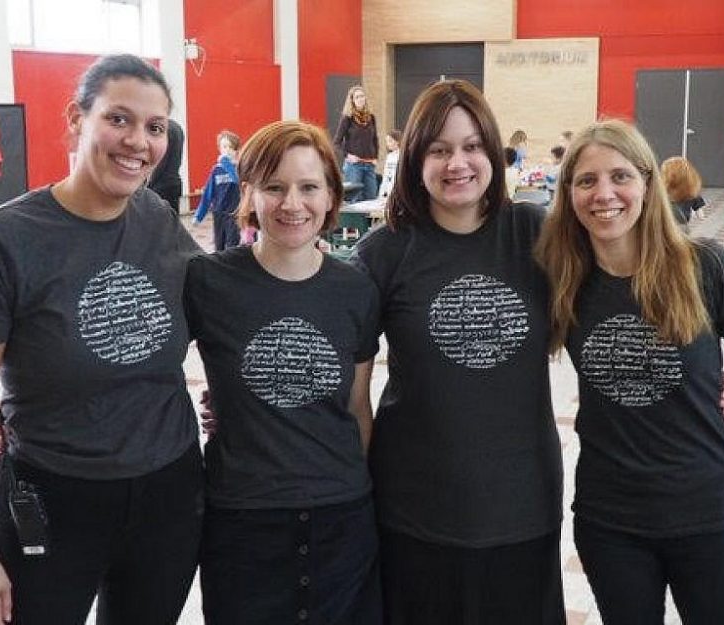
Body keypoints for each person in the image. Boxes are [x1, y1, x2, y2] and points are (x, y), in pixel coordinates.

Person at [0, 54, 205, 625]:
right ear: (77, 118)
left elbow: (226, 303)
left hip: (168, 494)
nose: (138, 141)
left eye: (155, 127)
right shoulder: (2, 241)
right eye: (119, 119)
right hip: (51, 501)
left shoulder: (157, 219)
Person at [534, 119, 724, 624]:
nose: (604, 194)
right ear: (569, 194)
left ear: (648, 184)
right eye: (586, 181)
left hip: (709, 514)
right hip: (611, 520)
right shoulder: (563, 280)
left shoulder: (706, 267)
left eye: (620, 176)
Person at [351, 79, 566, 624]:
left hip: (522, 499)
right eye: (439, 149)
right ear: (414, 158)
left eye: (472, 146)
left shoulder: (533, 235)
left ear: (492, 152)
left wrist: (698, 380)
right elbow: (348, 393)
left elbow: (615, 304)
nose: (457, 164)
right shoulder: (384, 252)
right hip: (414, 505)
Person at [186, 120, 382, 624]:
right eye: (274, 187)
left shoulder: (355, 288)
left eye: (308, 187)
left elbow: (358, 409)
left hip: (341, 517)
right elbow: (138, 361)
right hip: (243, 519)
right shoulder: (209, 282)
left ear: (331, 196)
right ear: (248, 194)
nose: (292, 203)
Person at [193, 129, 242, 250]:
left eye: (229, 147)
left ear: (236, 151)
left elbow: (238, 181)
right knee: (219, 245)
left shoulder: (240, 168)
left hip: (235, 213)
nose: (226, 150)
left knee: (232, 245)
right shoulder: (216, 170)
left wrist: (227, 164)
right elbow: (208, 194)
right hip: (219, 213)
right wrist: (199, 215)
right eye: (223, 147)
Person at [334, 85, 379, 202]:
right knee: (354, 200)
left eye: (362, 96)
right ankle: (355, 221)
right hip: (354, 166)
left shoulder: (371, 118)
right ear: (352, 101)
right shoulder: (347, 118)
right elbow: (337, 142)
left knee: (372, 198)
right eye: (357, 97)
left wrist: (376, 157)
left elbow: (375, 139)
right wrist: (348, 156)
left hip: (369, 165)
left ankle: (368, 221)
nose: (361, 99)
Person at [148, 117, 184, 215]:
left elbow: (162, 161)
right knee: (172, 218)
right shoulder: (177, 127)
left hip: (160, 185)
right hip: (175, 182)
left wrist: (150, 184)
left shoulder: (163, 129)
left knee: (156, 221)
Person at [661, 155, 706, 227]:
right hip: (667, 222)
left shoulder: (690, 191)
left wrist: (699, 212)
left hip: (680, 222)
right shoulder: (663, 190)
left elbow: (697, 202)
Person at [378, 129, 402, 199]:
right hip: (389, 190)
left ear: (397, 141)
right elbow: (386, 175)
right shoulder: (389, 156)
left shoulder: (402, 155)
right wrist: (382, 192)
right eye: (387, 141)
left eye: (390, 141)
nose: (388, 144)